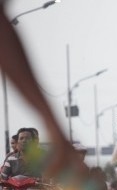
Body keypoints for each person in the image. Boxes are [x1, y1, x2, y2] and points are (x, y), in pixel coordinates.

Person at [0, 1, 82, 180]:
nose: (23, 141)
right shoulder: (11, 159)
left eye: (27, 138)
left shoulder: (43, 159)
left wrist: (52, 125)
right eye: (21, 139)